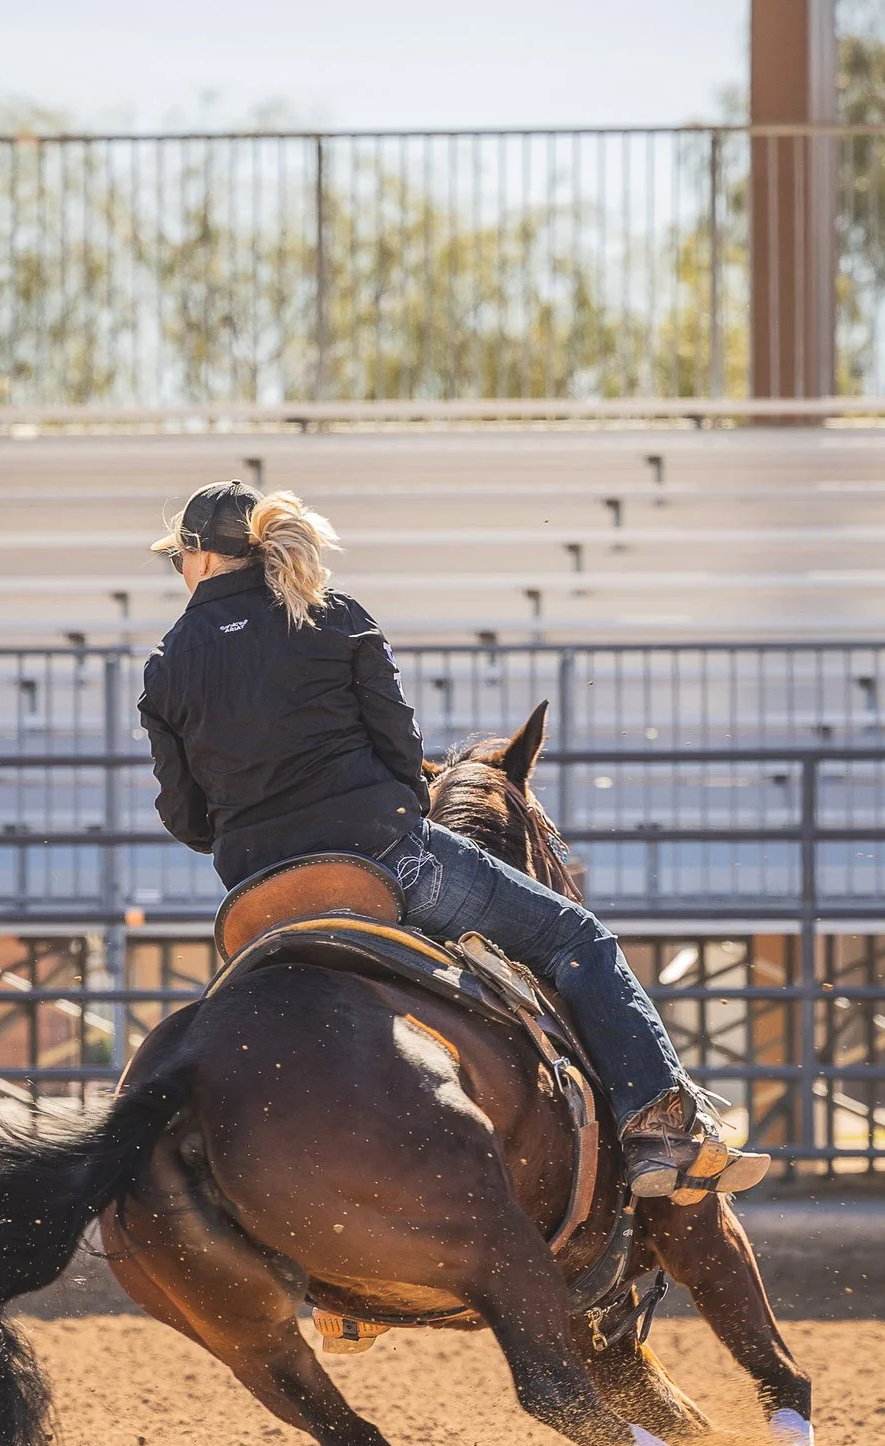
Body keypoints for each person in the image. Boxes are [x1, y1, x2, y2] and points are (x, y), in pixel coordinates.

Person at [136, 480, 768, 1199]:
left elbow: (187, 822)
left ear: (201, 559)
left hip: (260, 896)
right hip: (382, 860)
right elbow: (404, 753)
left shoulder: (165, 665)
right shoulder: (333, 617)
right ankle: (658, 1127)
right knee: (575, 938)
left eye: (176, 560)